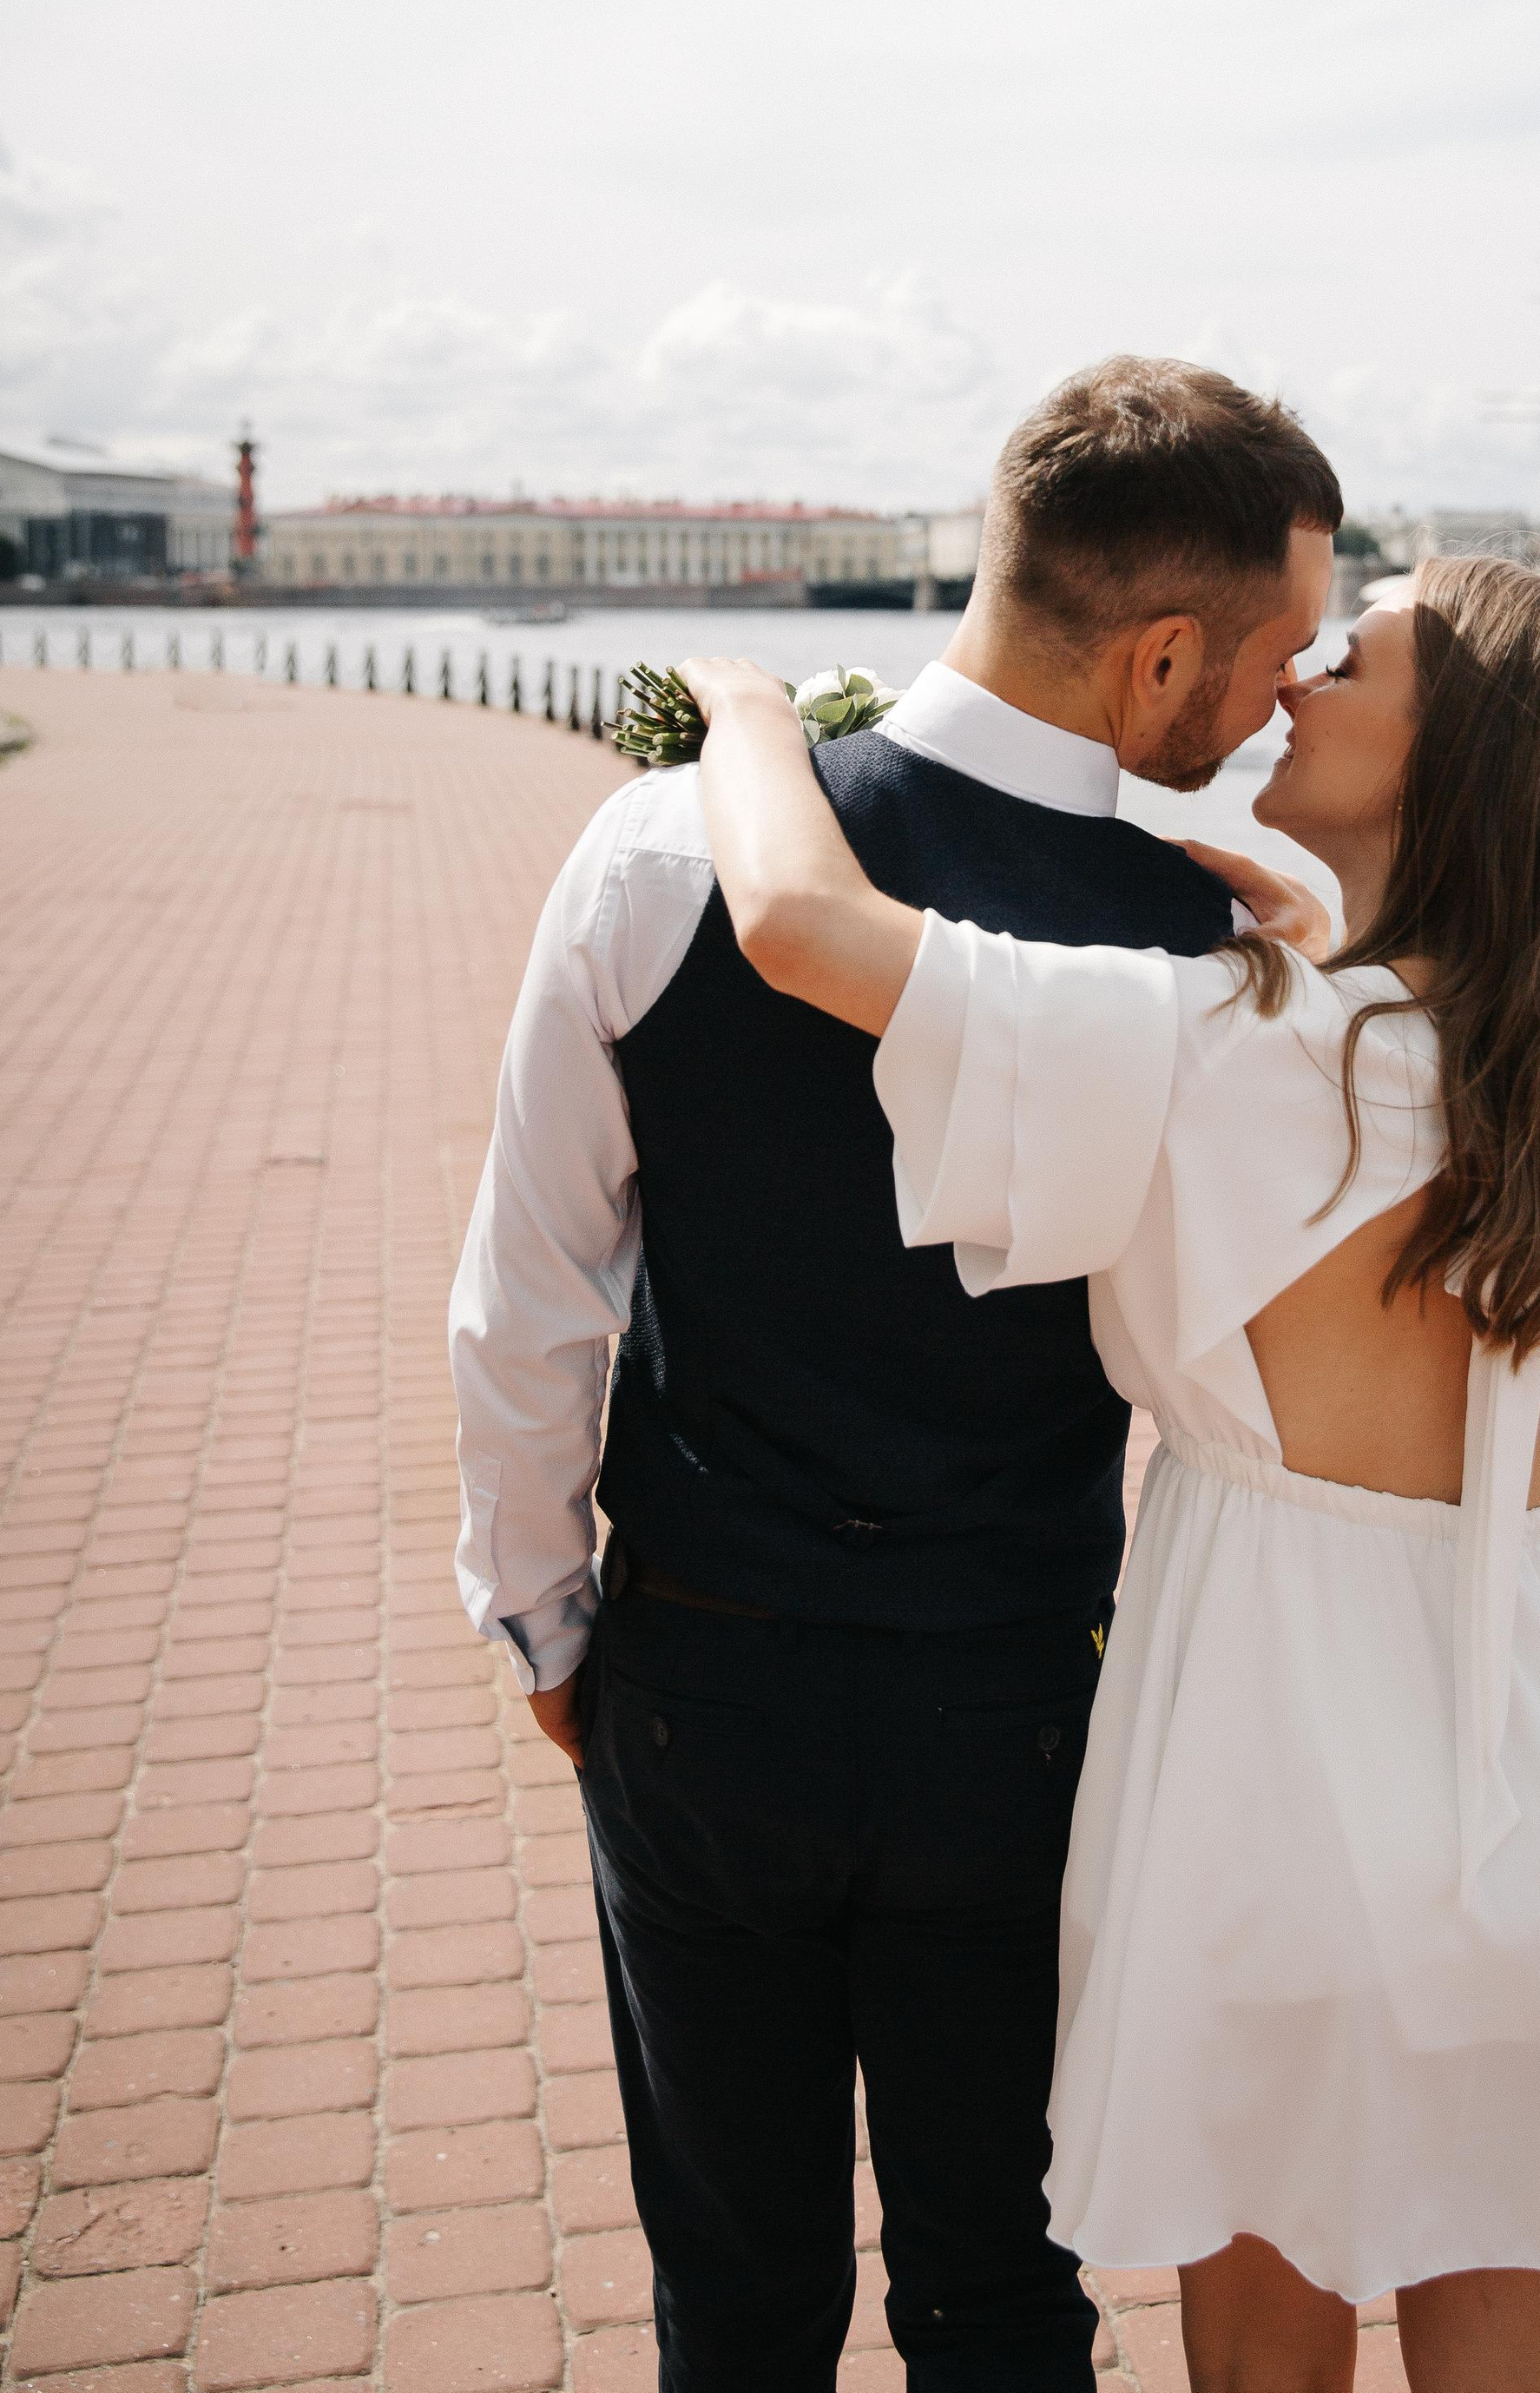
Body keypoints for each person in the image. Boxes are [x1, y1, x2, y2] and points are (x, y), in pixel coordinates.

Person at [675, 553, 1540, 2393]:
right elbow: (1389, 1089)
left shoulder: (1212, 1043)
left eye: (1356, 657)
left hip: (1274, 1810)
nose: (1300, 677)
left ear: (1454, 757)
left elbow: (798, 922)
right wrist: (1317, 939)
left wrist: (748, 711)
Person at [448, 357, 1342, 2391]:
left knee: (736, 2304)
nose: (1284, 701)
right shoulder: (1207, 967)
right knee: (998, 2295)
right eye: (1278, 654)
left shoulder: (657, 855)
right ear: (1159, 657)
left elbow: (530, 1302)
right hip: (1012, 1716)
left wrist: (547, 1629)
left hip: (705, 1682)